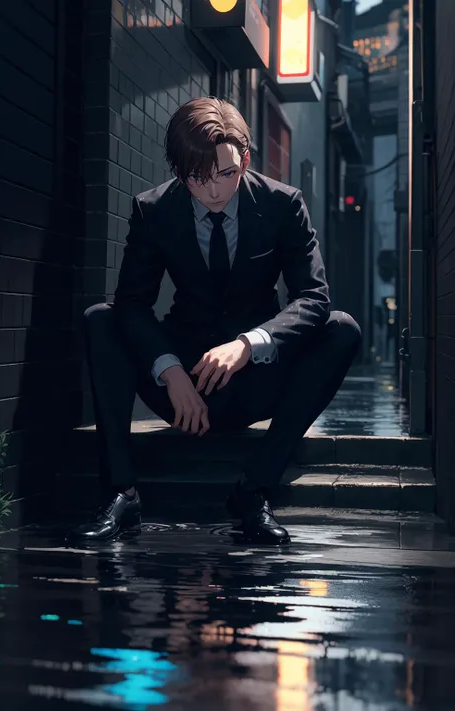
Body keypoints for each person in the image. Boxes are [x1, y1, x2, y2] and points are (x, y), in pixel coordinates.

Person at [71, 97, 361, 545]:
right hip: (184, 376)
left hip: (255, 381)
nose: (213, 190)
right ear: (179, 171)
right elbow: (131, 303)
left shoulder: (283, 205)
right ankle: (120, 493)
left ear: (244, 159)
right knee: (101, 319)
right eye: (197, 178)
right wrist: (169, 371)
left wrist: (250, 343)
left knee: (342, 328)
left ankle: (254, 491)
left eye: (226, 173)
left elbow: (313, 295)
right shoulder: (155, 210)